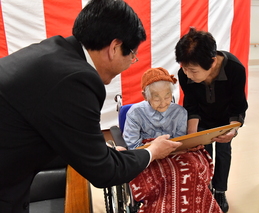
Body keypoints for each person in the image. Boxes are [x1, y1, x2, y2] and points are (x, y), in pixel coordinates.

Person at [0, 1, 182, 212]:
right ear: (114, 48)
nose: (133, 60)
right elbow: (104, 172)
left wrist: (101, 151)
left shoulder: (55, 52)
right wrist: (152, 151)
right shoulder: (77, 79)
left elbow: (66, 134)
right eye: (132, 54)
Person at [123, 67, 222, 213]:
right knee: (167, 176)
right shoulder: (135, 114)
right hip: (148, 155)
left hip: (175, 153)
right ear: (146, 96)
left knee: (191, 170)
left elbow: (180, 141)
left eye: (167, 96)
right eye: (157, 97)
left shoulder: (180, 112)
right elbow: (133, 146)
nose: (163, 102)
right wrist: (155, 148)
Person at [175, 28, 248, 213]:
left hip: (225, 120)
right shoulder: (184, 74)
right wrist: (192, 135)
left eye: (193, 70)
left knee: (223, 152)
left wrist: (233, 130)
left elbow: (238, 106)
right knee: (202, 154)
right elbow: (191, 104)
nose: (187, 74)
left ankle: (220, 190)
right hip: (202, 120)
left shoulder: (235, 69)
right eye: (184, 68)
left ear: (213, 62)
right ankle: (205, 187)